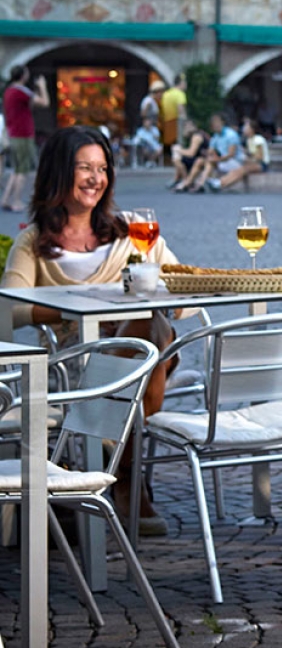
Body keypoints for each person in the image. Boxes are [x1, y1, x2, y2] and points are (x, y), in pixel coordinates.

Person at [2, 126, 178, 532]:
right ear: (59, 173)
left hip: (142, 352)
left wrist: (150, 267)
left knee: (149, 323)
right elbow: (8, 308)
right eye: (85, 167)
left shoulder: (131, 230)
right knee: (145, 336)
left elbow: (180, 286)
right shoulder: (33, 242)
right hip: (76, 361)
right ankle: (128, 477)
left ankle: (117, 460)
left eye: (103, 168)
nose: (96, 178)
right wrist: (70, 309)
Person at [2, 65, 50, 212]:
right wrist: (42, 86)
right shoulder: (20, 91)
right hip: (23, 134)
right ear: (23, 75)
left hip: (13, 133)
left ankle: (5, 199)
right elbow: (45, 102)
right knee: (23, 169)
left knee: (17, 169)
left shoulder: (9, 91)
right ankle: (16, 201)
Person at [181, 111, 239, 193]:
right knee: (200, 161)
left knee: (210, 162)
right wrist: (207, 154)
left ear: (222, 122)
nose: (215, 124)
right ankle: (189, 182)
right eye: (213, 122)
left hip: (234, 162)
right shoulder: (215, 137)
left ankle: (200, 184)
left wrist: (216, 159)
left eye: (217, 121)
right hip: (222, 161)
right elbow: (210, 151)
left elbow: (231, 154)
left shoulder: (231, 134)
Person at [213, 118, 270, 191]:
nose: (244, 129)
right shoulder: (249, 140)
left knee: (243, 170)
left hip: (262, 164)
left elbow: (260, 157)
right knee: (237, 170)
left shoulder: (258, 139)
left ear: (252, 129)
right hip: (253, 162)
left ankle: (220, 184)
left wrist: (248, 159)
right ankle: (220, 183)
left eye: (246, 128)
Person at [169, 113, 208, 192]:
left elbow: (191, 153)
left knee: (177, 156)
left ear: (194, 126)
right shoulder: (192, 136)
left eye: (188, 126)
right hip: (197, 158)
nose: (186, 128)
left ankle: (186, 181)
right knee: (177, 159)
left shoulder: (197, 136)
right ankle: (184, 180)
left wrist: (178, 150)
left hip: (202, 159)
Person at [159, 74, 186, 153]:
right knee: (179, 144)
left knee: (169, 144)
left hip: (166, 123)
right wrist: (185, 123)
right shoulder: (180, 94)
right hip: (176, 123)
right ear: (181, 83)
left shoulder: (166, 94)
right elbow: (181, 110)